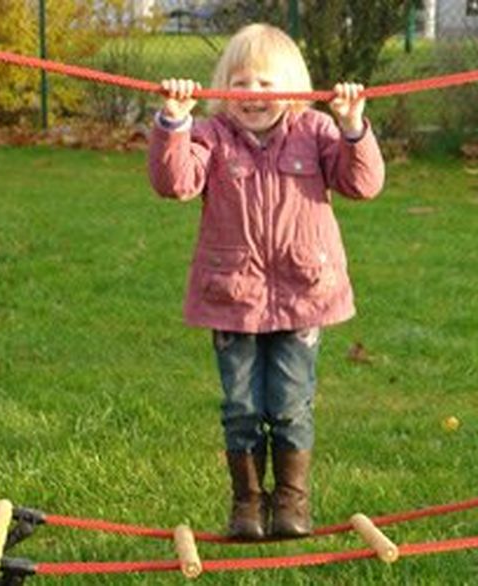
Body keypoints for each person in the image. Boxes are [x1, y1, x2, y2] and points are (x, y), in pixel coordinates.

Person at [147, 23, 385, 541]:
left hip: (303, 294)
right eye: (241, 82)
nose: (253, 94)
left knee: (291, 404)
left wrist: (352, 127)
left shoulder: (317, 132)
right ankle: (248, 505)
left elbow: (362, 184)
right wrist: (173, 121)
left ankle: (292, 504)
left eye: (266, 83)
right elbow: (174, 183)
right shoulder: (209, 136)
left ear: (295, 88)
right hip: (232, 296)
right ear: (222, 87)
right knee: (241, 408)